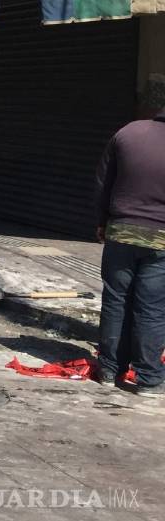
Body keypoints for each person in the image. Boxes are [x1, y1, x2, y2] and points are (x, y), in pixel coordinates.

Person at [94, 107, 165, 395]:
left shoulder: (128, 132)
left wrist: (101, 221)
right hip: (161, 239)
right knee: (151, 309)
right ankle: (148, 379)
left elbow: (103, 183)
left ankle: (110, 370)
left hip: (120, 231)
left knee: (115, 300)